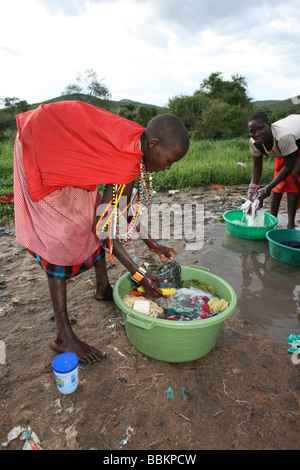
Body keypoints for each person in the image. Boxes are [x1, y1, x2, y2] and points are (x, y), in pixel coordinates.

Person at [14, 100, 190, 363]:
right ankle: (63, 334)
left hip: (66, 149)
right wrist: (139, 273)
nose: (168, 167)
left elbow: (123, 205)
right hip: (40, 144)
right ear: (153, 145)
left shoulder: (138, 145)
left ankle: (103, 288)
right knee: (60, 236)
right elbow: (105, 229)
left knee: (91, 209)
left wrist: (150, 241)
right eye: (169, 161)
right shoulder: (126, 161)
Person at [248, 112, 300, 228]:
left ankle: (291, 224)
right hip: (284, 147)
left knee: (292, 177)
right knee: (278, 181)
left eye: (260, 129)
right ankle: (273, 221)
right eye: (252, 131)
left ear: (269, 125)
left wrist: (267, 188)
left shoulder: (283, 138)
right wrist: (252, 187)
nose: (256, 134)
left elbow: (289, 166)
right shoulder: (254, 143)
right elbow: (257, 166)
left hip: (296, 138)